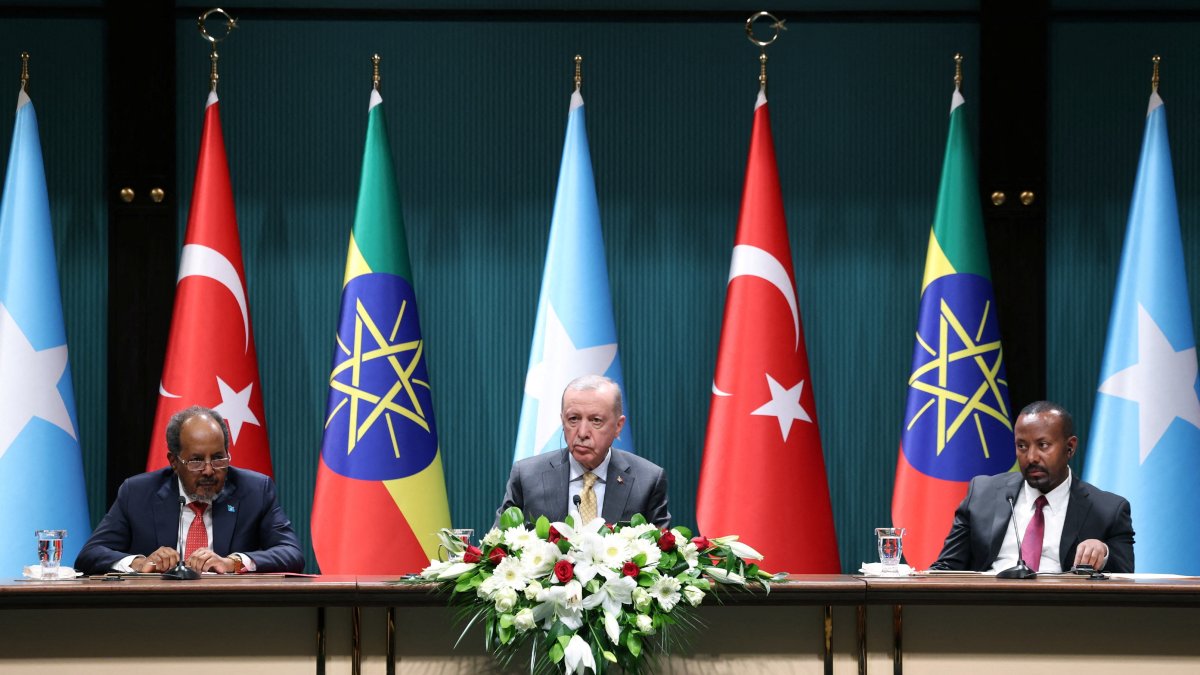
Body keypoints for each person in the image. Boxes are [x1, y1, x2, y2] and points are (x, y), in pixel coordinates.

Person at [77, 406, 304, 575]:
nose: (208, 471)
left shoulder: (255, 490)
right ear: (174, 462)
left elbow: (291, 553)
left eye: (218, 459)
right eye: (196, 461)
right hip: (154, 617)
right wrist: (139, 562)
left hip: (234, 615)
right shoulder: (137, 493)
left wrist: (233, 562)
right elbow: (90, 555)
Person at [930, 401, 1134, 573]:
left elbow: (1127, 580)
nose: (1031, 457)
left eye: (1043, 445)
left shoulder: (1108, 510)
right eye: (1022, 446)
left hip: (1063, 613)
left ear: (1070, 448)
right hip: (989, 609)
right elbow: (946, 568)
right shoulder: (983, 493)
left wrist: (1103, 554)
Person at [496, 375, 671, 528]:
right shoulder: (527, 476)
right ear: (562, 420)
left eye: (596, 420)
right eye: (573, 419)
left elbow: (662, 558)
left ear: (618, 426)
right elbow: (496, 553)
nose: (582, 433)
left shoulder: (648, 480)